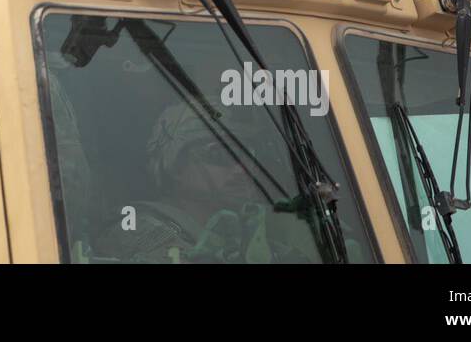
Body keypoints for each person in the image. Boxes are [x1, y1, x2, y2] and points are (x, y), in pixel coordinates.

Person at [93, 103, 319, 263]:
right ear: (174, 166)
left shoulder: (257, 228)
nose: (241, 169)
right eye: (218, 155)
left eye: (247, 156)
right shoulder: (137, 229)